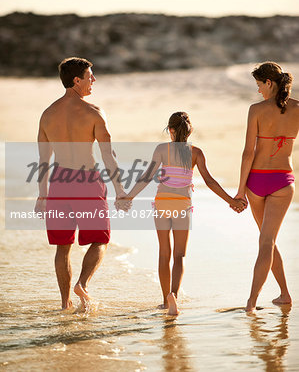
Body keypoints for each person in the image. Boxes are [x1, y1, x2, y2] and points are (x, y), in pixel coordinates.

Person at [118, 112, 246, 315]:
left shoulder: (161, 150)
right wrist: (231, 201)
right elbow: (210, 181)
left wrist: (129, 197)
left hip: (162, 204)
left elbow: (146, 177)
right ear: (190, 131)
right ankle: (174, 296)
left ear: (170, 130)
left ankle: (164, 300)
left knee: (163, 253)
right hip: (182, 206)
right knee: (179, 255)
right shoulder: (196, 153)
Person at [34, 57, 130, 310]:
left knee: (62, 247)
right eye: (90, 76)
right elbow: (109, 155)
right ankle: (83, 285)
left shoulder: (47, 115)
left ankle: (65, 305)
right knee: (100, 240)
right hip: (87, 181)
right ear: (77, 80)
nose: (93, 80)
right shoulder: (94, 112)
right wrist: (120, 191)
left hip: (59, 182)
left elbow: (44, 159)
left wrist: (42, 196)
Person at [234, 62, 299, 312]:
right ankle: (284, 294)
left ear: (269, 83)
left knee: (266, 242)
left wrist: (240, 191)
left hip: (257, 182)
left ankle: (250, 303)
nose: (259, 90)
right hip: (283, 181)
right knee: (268, 241)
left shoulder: (256, 110)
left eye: (259, 85)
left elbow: (247, 153)